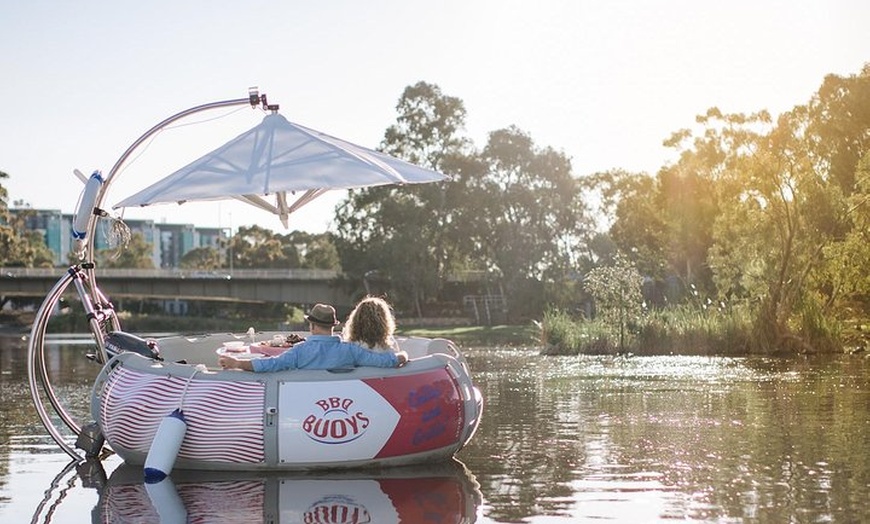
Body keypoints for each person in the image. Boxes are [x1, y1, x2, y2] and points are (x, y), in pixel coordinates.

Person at [219, 303, 408, 372]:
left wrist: (237, 363)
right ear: (334, 327)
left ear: (311, 326)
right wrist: (404, 356)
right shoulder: (351, 351)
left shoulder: (299, 352)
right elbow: (386, 361)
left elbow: (270, 365)